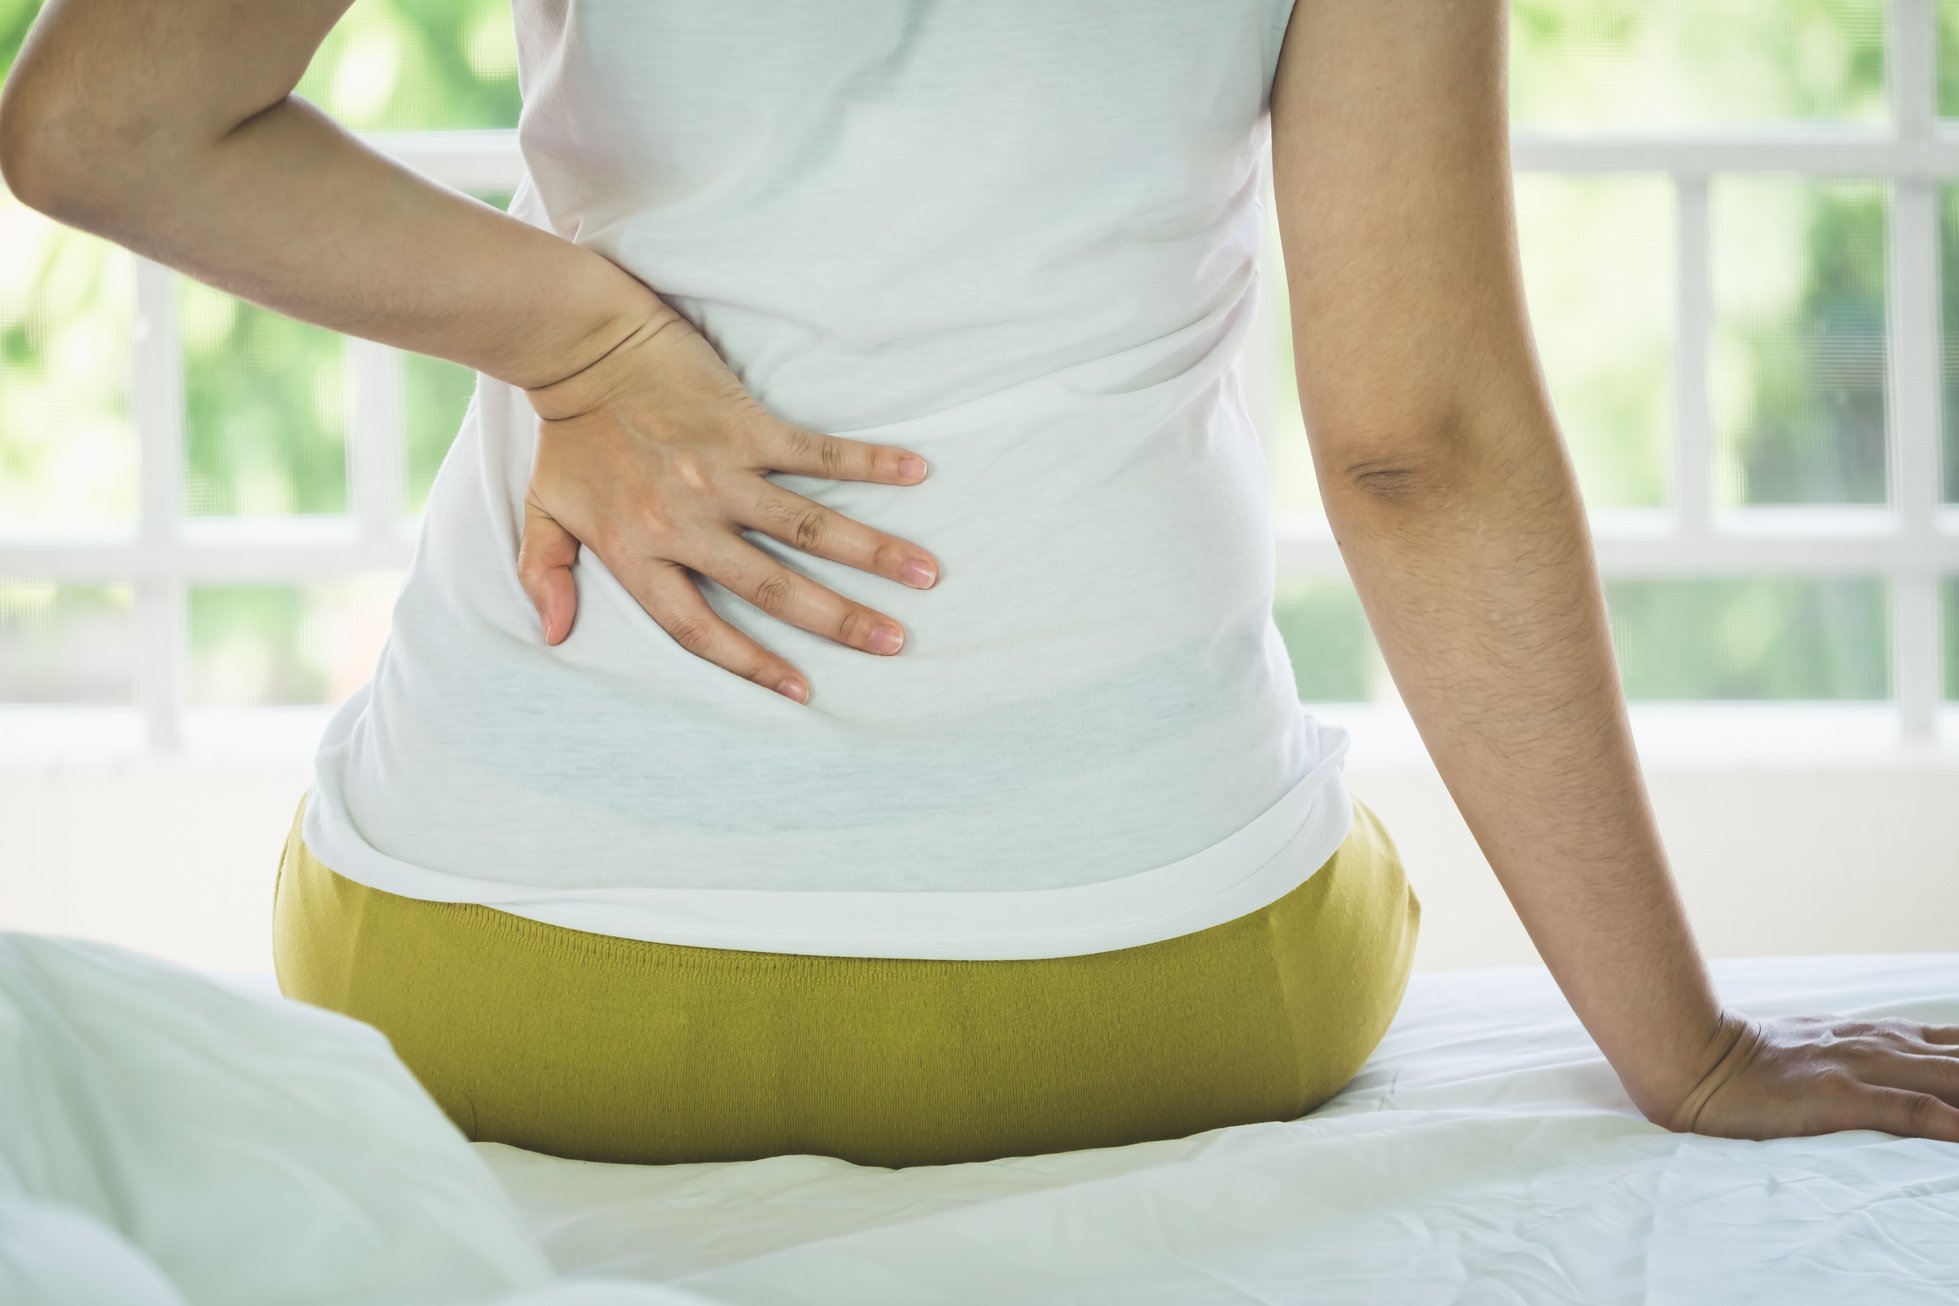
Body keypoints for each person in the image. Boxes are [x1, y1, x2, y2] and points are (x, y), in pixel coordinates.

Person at [5, 0, 1955, 1169]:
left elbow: (96, 127)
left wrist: (577, 343)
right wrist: (1689, 1050)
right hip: (1153, 982)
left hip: (489, 970)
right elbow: (1412, 441)